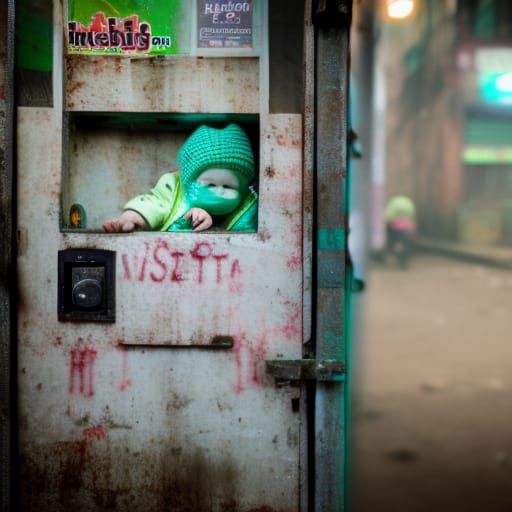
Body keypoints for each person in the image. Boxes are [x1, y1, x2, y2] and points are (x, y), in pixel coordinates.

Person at [103, 123, 258, 233]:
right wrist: (132, 218)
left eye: (228, 186)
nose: (219, 190)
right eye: (210, 184)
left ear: (244, 189)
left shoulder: (251, 206)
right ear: (189, 182)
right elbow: (154, 203)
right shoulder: (175, 191)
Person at [384, 195, 416, 267]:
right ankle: (404, 260)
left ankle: (395, 254)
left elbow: (389, 217)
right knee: (406, 245)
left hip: (397, 229)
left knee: (396, 244)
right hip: (408, 230)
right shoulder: (408, 206)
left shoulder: (393, 206)